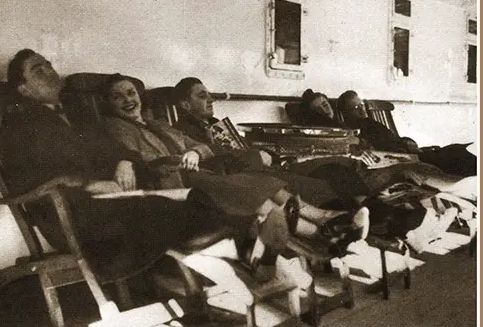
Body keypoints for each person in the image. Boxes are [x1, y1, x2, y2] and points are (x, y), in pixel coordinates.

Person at [0, 50, 294, 282]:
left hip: (113, 199)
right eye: (38, 70)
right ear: (22, 88)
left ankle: (248, 253)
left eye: (49, 64)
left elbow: (114, 146)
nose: (50, 71)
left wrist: (124, 161)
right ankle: (247, 251)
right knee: (162, 208)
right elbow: (30, 177)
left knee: (192, 199)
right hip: (71, 212)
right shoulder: (18, 125)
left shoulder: (78, 116)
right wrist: (88, 183)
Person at [102, 74, 371, 259]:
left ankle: (328, 219)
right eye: (118, 97)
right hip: (172, 180)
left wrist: (195, 151)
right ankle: (322, 233)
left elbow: (199, 144)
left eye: (130, 92)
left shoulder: (159, 124)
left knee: (261, 182)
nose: (127, 99)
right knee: (251, 190)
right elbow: (124, 152)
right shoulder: (114, 126)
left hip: (196, 171)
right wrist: (125, 160)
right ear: (110, 105)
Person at [337, 90, 477, 178]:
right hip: (403, 158)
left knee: (456, 149)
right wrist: (403, 149)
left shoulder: (369, 122)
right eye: (356, 107)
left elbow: (393, 138)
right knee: (455, 153)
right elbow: (379, 146)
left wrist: (406, 141)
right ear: (346, 113)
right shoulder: (355, 130)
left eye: (361, 104)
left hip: (408, 152)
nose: (362, 109)